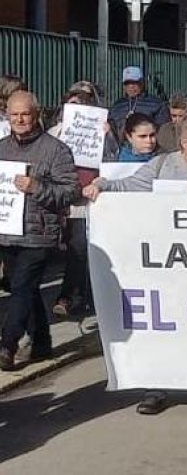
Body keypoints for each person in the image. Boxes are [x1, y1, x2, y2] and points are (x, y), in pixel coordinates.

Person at [83, 113, 187, 415]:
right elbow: (128, 186)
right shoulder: (161, 165)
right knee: (165, 325)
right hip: (168, 265)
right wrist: (100, 186)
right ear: (185, 143)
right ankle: (158, 387)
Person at [0, 91, 80, 371]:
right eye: (14, 114)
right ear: (7, 116)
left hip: (39, 234)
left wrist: (37, 188)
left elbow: (70, 191)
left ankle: (7, 344)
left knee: (21, 288)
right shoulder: (1, 148)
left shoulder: (55, 149)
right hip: (7, 232)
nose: (20, 119)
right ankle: (42, 342)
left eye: (25, 114)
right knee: (27, 289)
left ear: (36, 115)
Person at [47, 82, 117, 318]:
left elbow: (111, 159)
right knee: (71, 248)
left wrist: (108, 137)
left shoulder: (102, 130)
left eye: (81, 104)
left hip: (89, 196)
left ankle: (75, 296)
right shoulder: (54, 133)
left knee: (83, 247)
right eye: (71, 104)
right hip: (63, 198)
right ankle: (72, 294)